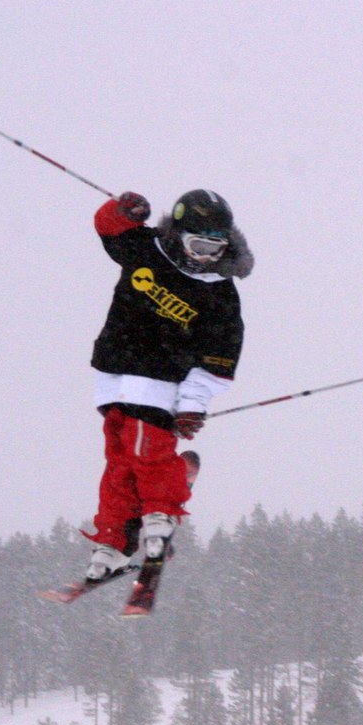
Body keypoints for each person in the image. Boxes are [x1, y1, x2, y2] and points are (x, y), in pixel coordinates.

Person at [83, 188, 254, 580]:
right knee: (119, 464)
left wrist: (193, 402)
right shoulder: (147, 250)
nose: (205, 256)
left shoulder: (220, 293)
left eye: (216, 248)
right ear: (177, 235)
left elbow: (219, 358)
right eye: (197, 244)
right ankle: (115, 540)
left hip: (162, 380)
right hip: (115, 375)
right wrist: (123, 210)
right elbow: (109, 230)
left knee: (148, 453)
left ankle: (160, 514)